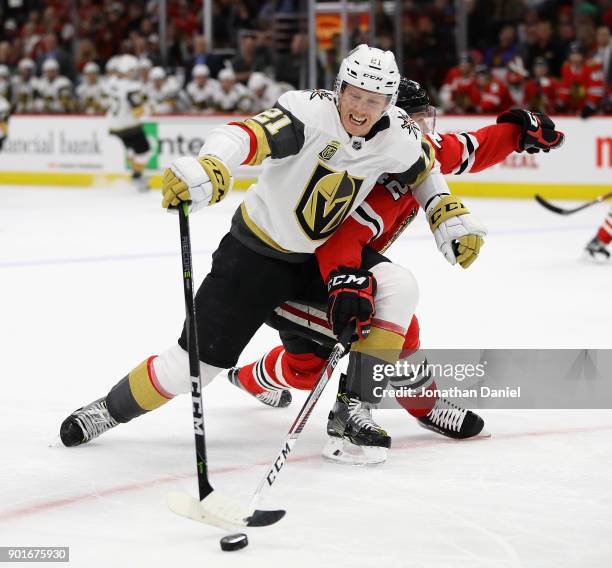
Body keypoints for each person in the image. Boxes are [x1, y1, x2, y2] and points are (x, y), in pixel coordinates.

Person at [59, 45, 485, 454]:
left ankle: (353, 410)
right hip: (252, 259)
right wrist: (213, 163)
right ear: (338, 90)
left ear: (389, 102)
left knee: (399, 286)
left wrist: (445, 213)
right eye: (354, 95)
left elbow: (425, 172)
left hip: (313, 263)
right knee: (190, 369)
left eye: (374, 101)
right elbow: (244, 134)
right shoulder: (308, 114)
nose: (360, 109)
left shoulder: (397, 134)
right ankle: (106, 411)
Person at [228, 78, 565, 464]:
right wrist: (347, 283)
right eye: (413, 120)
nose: (422, 131)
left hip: (329, 273)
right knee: (396, 324)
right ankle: (422, 407)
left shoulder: (412, 151)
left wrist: (515, 131)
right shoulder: (374, 180)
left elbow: (467, 148)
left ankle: (249, 378)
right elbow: (340, 242)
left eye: (424, 120)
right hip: (292, 280)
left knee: (305, 369)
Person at [105, 54, 151, 192]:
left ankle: (133, 162)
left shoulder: (111, 82)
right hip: (129, 126)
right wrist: (148, 107)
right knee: (146, 151)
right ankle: (137, 177)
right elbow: (138, 110)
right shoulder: (131, 87)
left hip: (113, 125)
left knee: (133, 150)